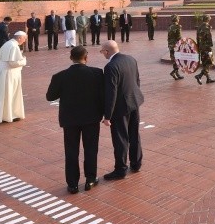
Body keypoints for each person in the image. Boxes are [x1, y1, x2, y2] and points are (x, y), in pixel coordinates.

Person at [46, 46, 104, 194]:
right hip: (91, 118)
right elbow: (103, 95)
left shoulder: (60, 76)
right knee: (91, 149)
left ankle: (72, 184)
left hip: (69, 119)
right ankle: (91, 179)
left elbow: (50, 96)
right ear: (86, 58)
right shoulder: (97, 73)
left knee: (71, 151)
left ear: (71, 58)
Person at [101, 40, 144, 180]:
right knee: (134, 134)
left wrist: (107, 116)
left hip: (120, 108)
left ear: (107, 51)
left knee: (120, 139)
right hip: (134, 102)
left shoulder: (110, 67)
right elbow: (137, 80)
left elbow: (111, 92)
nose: (102, 54)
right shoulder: (131, 59)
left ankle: (120, 169)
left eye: (102, 51)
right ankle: (136, 163)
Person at [0, 31, 27, 123]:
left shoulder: (8, 43)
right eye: (24, 39)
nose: (24, 41)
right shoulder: (14, 46)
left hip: (2, 71)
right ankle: (10, 115)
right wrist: (24, 61)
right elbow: (13, 63)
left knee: (2, 94)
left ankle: (2, 115)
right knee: (9, 93)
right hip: (8, 73)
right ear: (19, 38)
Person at [195, 15, 215, 84]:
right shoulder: (207, 27)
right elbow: (209, 38)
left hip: (201, 48)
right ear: (208, 20)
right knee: (210, 62)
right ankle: (199, 76)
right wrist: (210, 47)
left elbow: (197, 38)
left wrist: (198, 47)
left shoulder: (199, 27)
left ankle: (208, 79)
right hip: (207, 48)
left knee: (204, 63)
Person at [167, 15, 183, 80]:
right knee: (178, 60)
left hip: (170, 45)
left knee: (174, 60)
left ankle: (177, 74)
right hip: (176, 46)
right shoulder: (177, 27)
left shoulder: (170, 27)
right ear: (177, 20)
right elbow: (179, 38)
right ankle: (174, 72)